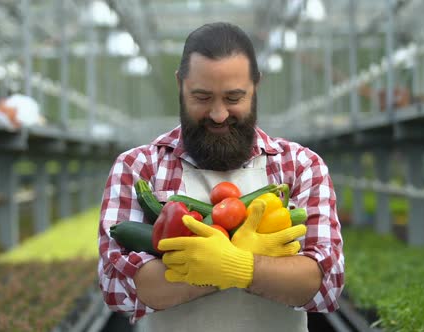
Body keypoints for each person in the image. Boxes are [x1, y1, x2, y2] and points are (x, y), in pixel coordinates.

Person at [98, 22, 344, 332]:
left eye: (233, 98)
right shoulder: (138, 167)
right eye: (201, 97)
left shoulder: (301, 167)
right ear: (180, 85)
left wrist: (238, 266)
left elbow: (325, 284)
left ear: (256, 86)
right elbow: (119, 287)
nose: (218, 114)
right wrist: (249, 265)